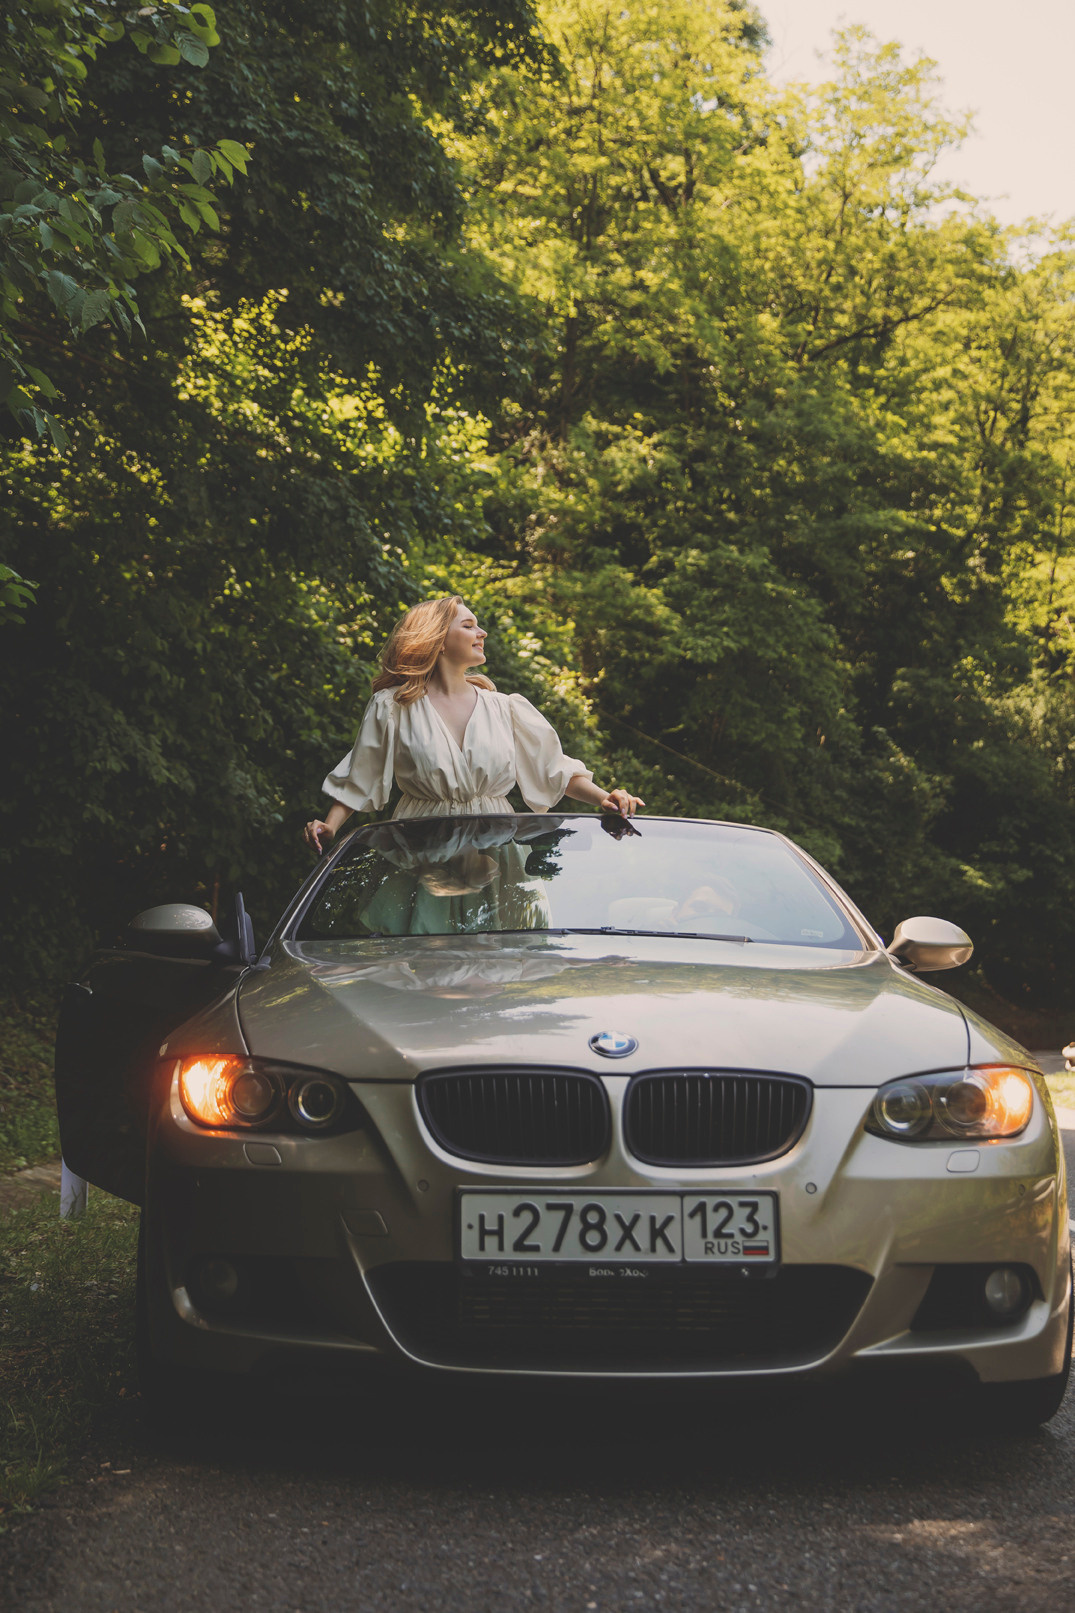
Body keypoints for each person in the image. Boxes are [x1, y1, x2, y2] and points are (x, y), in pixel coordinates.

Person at [303, 596, 643, 852]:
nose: (481, 632)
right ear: (436, 640)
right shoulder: (392, 707)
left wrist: (604, 798)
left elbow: (554, 769)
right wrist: (330, 826)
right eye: (468, 626)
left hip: (495, 845)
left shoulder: (505, 709)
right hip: (423, 845)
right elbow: (360, 774)